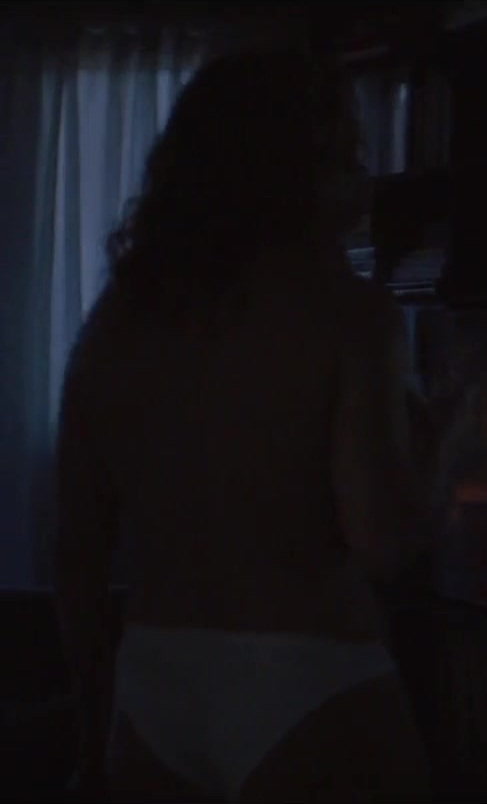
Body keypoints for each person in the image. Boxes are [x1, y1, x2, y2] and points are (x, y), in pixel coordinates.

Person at [52, 50, 437, 802]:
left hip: (156, 682)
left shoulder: (115, 326)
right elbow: (381, 542)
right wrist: (446, 453)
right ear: (306, 171)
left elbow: (76, 553)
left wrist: (93, 727)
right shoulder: (350, 313)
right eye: (347, 154)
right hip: (308, 677)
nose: (360, 175)